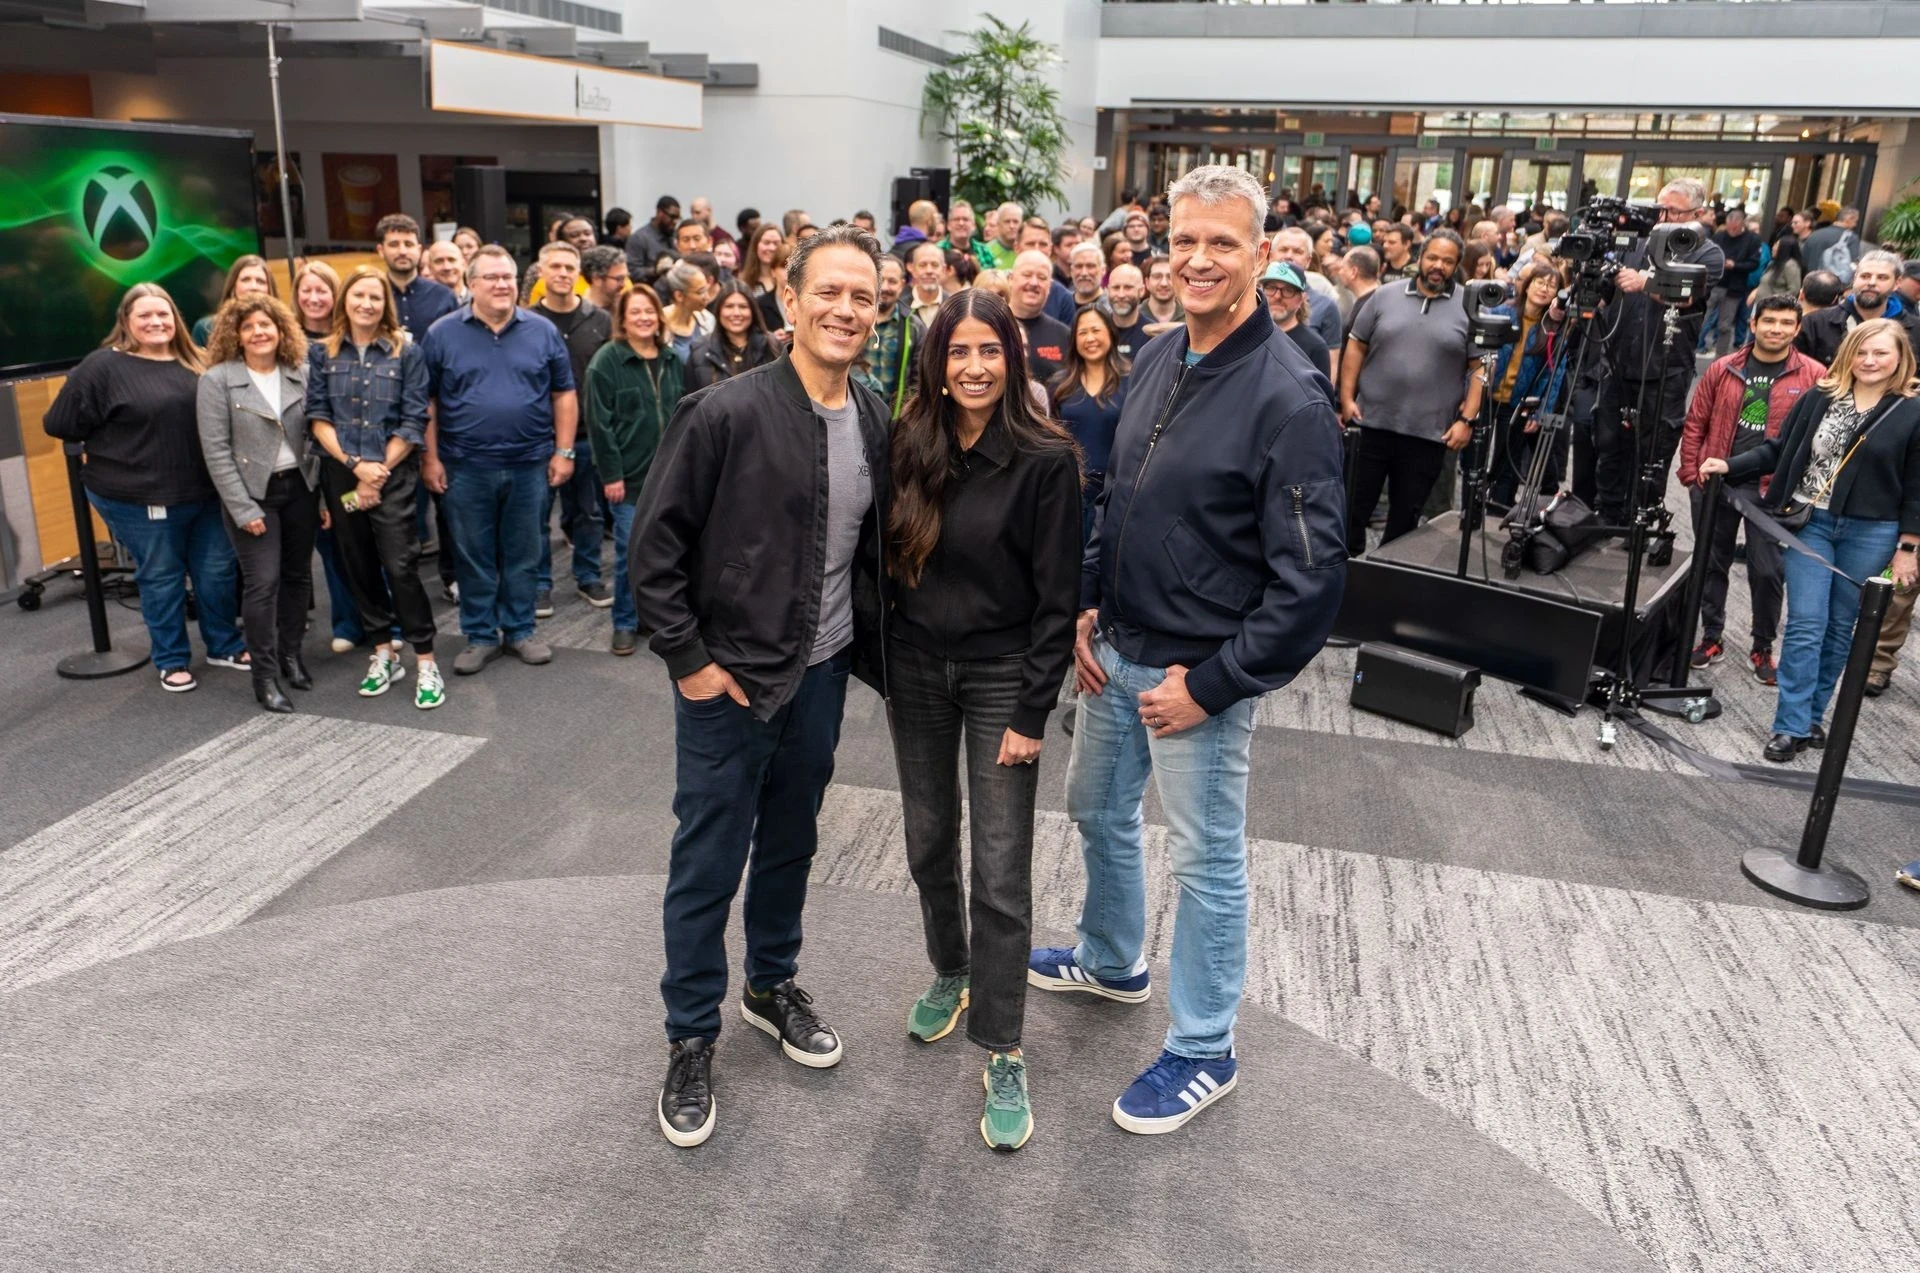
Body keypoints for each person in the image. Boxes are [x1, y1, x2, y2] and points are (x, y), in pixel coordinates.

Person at [1030, 165, 1345, 1138]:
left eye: (1221, 242)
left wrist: (1212, 685)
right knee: (1094, 807)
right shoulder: (1162, 350)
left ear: (1262, 254)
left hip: (1193, 676)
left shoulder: (1291, 398)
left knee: (1206, 861)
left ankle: (1206, 1046)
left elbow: (1311, 583)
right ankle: (1111, 957)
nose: (1199, 259)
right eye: (1184, 241)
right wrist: (1088, 602)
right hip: (1116, 648)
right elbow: (1117, 493)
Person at [630, 224, 891, 1149]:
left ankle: (770, 984)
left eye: (863, 297)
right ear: (790, 300)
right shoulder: (722, 413)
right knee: (708, 860)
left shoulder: (876, 417)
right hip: (729, 683)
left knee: (791, 842)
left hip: (821, 675)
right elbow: (652, 552)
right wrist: (692, 665)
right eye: (830, 292)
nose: (846, 310)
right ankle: (690, 1033)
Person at [886, 289, 1081, 1152]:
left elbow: (1058, 598)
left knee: (1000, 870)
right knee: (928, 839)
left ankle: (1003, 1044)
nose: (973, 367)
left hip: (1005, 676)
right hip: (917, 670)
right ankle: (951, 968)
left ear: (1013, 357)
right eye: (957, 351)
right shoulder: (909, 442)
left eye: (989, 351)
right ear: (936, 362)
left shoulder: (1046, 459)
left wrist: (1034, 709)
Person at [1700, 319, 1920, 761]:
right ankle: (1790, 724)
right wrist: (1730, 464)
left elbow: (1917, 487)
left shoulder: (1911, 412)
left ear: (1900, 358)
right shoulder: (1822, 396)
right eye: (1861, 352)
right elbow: (1780, 449)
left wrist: (1908, 548)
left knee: (1840, 627)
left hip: (1871, 532)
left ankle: (1812, 715)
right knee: (1805, 624)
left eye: (1881, 353)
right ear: (1848, 355)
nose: (1870, 361)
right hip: (1811, 522)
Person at [43, 284, 244, 693]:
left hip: (207, 493)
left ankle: (223, 645)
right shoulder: (103, 366)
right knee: (162, 578)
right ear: (126, 322)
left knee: (216, 573)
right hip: (140, 498)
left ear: (176, 319)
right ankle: (171, 660)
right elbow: (59, 423)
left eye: (163, 314)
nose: (156, 322)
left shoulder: (198, 361)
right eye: (145, 316)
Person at [420, 244, 579, 674]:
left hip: (530, 463)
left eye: (508, 276)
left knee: (525, 551)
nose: (501, 284)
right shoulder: (441, 334)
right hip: (465, 466)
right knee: (473, 554)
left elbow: (564, 393)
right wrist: (430, 459)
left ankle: (520, 630)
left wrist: (564, 451)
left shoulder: (542, 331)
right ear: (471, 284)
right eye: (491, 277)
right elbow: (427, 402)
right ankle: (480, 635)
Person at [306, 266, 442, 709]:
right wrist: (354, 467)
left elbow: (413, 418)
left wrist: (377, 470)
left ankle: (425, 660)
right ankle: (383, 653)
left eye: (375, 297)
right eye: (358, 295)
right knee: (358, 565)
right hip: (342, 475)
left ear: (386, 305)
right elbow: (318, 417)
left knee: (401, 566)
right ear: (344, 300)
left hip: (393, 474)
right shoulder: (322, 353)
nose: (366, 304)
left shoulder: (407, 351)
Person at [1676, 295, 1824, 685]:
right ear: (1754, 324)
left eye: (1786, 323)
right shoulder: (1723, 368)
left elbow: (1818, 438)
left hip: (1772, 491)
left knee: (1768, 571)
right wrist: (1691, 473)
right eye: (1769, 321)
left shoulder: (1814, 375)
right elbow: (1696, 422)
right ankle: (1711, 637)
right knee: (1712, 564)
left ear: (1797, 329)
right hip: (1716, 483)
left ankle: (1762, 646)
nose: (1777, 329)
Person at [196, 295, 321, 714]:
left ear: (281, 329)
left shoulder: (301, 372)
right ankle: (264, 676)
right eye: (248, 326)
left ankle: (291, 655)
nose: (258, 332)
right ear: (235, 334)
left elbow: (317, 437)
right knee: (263, 583)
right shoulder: (217, 380)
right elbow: (216, 452)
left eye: (266, 324)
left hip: (301, 489)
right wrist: (242, 508)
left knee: (298, 576)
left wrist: (321, 496)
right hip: (253, 496)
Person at [1582, 179, 1725, 527]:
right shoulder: (1637, 242)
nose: (1663, 217)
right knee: (1608, 445)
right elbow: (1605, 292)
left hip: (1665, 370)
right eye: (1660, 208)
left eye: (1673, 211)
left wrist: (1645, 282)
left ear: (1697, 214)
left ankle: (1640, 523)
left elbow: (1688, 295)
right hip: (1617, 363)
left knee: (1653, 453)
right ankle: (1607, 517)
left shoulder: (1707, 252)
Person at [1340, 229, 1481, 550]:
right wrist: (1346, 398)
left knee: (1405, 520)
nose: (1438, 266)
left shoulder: (1468, 307)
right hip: (1370, 424)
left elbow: (1480, 368)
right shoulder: (1384, 296)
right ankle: (1345, 570)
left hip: (1429, 434)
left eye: (1447, 261)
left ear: (1457, 265)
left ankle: (1388, 574)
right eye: (1432, 258)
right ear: (1420, 257)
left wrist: (1467, 420)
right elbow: (1356, 346)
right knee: (1351, 510)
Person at [586, 283, 684, 657]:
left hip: (670, 477)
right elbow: (600, 426)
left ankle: (653, 618)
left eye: (649, 311)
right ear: (622, 320)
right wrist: (611, 475)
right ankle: (624, 622)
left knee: (668, 553)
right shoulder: (606, 362)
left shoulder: (672, 359)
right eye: (635, 312)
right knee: (631, 553)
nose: (644, 318)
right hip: (628, 480)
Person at [530, 241, 613, 617]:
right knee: (538, 516)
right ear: (541, 272)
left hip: (588, 434)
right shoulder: (526, 321)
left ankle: (588, 575)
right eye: (556, 267)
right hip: (539, 436)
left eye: (569, 267)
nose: (563, 274)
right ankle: (540, 584)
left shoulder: (600, 320)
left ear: (578, 273)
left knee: (589, 513)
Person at [1485, 260, 1572, 512]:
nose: (1544, 289)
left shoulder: (1553, 328)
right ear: (1527, 284)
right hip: (1487, 395)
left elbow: (1554, 376)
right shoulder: (1501, 312)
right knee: (1477, 457)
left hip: (1520, 403)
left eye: (1551, 286)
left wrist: (1540, 411)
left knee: (1508, 463)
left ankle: (1498, 508)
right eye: (1539, 282)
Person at [1048, 304, 1130, 544]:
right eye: (1082, 332)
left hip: (1116, 493)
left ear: (1110, 333)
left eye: (1096, 330)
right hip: (1071, 493)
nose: (1090, 338)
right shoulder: (1059, 385)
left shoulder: (1133, 381)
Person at [1796, 250, 1920, 365]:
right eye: (1865, 276)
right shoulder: (1815, 324)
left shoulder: (1916, 330)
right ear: (1855, 278)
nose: (1871, 283)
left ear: (1897, 283)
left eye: (1882, 278)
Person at [1270, 227, 1345, 377]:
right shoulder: (1251, 298)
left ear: (1308, 260)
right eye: (1283, 250)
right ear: (1270, 255)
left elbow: (1330, 368)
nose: (1289, 256)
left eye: (1297, 252)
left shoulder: (1326, 305)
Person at [375, 215, 459, 342]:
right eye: (394, 244)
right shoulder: (371, 296)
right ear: (381, 250)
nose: (402, 251)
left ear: (419, 250)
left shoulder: (443, 296)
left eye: (408, 244)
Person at [859, 253, 923, 416]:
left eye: (892, 281)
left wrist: (907, 413)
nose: (885, 287)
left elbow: (919, 379)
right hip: (856, 413)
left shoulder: (914, 326)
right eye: (880, 280)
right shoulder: (854, 319)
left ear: (902, 284)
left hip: (896, 419)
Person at [687, 279, 778, 390]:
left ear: (753, 310)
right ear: (719, 310)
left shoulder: (772, 345)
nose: (736, 313)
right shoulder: (700, 351)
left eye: (743, 307)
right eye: (729, 306)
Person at [1703, 207, 1764, 356]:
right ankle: (1697, 347)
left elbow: (1754, 263)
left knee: (1725, 325)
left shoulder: (1752, 240)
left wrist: (1735, 265)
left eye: (1735, 228)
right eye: (1729, 228)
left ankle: (1720, 357)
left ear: (1742, 224)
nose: (1732, 231)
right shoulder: (1719, 237)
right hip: (1714, 284)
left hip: (1734, 287)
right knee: (1704, 319)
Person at [1008, 251, 1072, 382]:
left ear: (1050, 286)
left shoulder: (1064, 335)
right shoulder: (992, 326)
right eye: (1027, 275)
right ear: (1010, 279)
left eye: (1042, 278)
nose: (1034, 283)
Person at [1258, 261, 1330, 378]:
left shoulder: (1315, 347)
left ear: (1301, 298)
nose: (1277, 296)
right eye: (1271, 288)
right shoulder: (1249, 336)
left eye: (1288, 290)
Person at [190, 255, 275, 345]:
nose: (253, 287)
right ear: (233, 287)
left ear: (269, 289)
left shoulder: (281, 325)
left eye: (260, 281)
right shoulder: (205, 328)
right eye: (246, 280)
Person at [1801, 206, 1863, 285]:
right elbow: (1853, 264)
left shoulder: (1814, 235)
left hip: (1809, 283)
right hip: (1833, 285)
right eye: (1855, 221)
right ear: (1849, 219)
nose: (1855, 225)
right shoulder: (1850, 238)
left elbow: (1803, 260)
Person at [625, 195, 681, 279]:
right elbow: (631, 271)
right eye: (672, 217)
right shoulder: (639, 238)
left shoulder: (674, 235)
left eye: (678, 218)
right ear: (659, 212)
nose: (675, 222)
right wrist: (656, 270)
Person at [1104, 263, 1149, 360]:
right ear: (1107, 291)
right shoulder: (1098, 331)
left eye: (1128, 288)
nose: (1121, 295)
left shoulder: (1152, 334)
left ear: (1141, 291)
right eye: (1116, 288)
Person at [1749, 233, 1802, 309]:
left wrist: (1775, 302)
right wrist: (1756, 291)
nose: (1773, 247)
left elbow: (1794, 290)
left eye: (1777, 245)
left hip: (1773, 308)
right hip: (1761, 304)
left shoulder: (1790, 265)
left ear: (1784, 248)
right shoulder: (1773, 263)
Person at [905, 239, 947, 328]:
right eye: (922, 265)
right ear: (912, 269)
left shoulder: (953, 305)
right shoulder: (900, 305)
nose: (929, 271)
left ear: (943, 269)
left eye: (935, 265)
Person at [1142, 255, 1182, 334]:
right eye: (1157, 277)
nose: (1164, 283)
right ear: (1147, 282)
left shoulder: (1191, 318)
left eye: (1169, 277)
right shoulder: (1135, 317)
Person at [1066, 240, 1105, 309]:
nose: (1084, 273)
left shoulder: (1111, 309)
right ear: (1071, 271)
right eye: (1079, 266)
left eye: (1090, 266)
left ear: (1103, 270)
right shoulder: (1062, 305)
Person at [985, 202, 1022, 270]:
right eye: (1007, 221)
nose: (1012, 226)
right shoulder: (986, 251)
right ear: (998, 224)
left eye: (1015, 222)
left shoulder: (1027, 249)